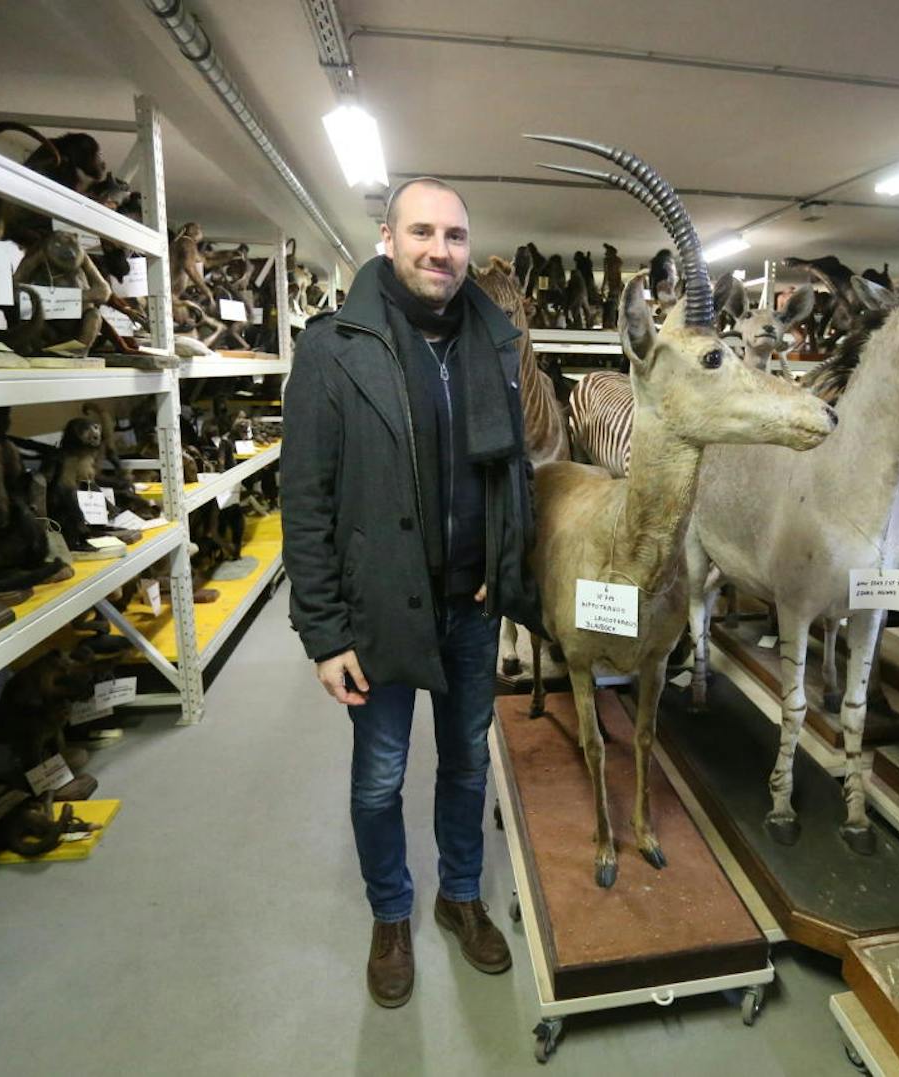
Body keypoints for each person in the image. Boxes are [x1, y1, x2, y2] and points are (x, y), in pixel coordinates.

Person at [283, 177, 541, 1009]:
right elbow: (306, 497)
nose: (442, 249)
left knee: (468, 764)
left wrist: (507, 576)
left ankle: (458, 894)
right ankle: (391, 911)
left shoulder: (494, 342)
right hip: (379, 609)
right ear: (388, 239)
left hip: (470, 604)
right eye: (424, 231)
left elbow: (514, 479)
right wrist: (324, 633)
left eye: (457, 235)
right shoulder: (335, 345)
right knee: (379, 775)